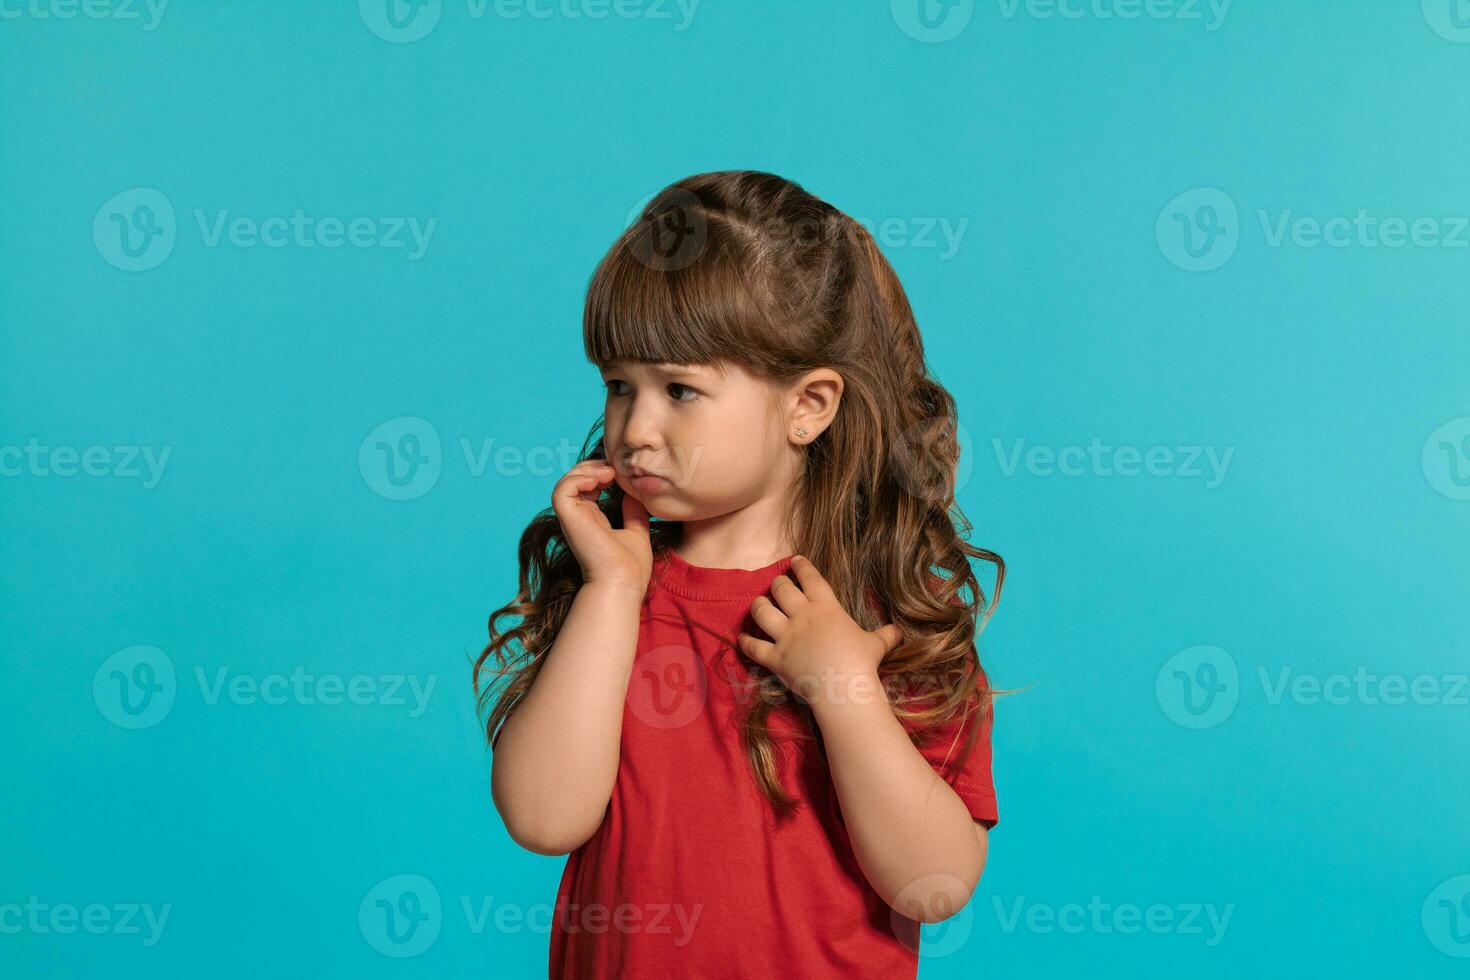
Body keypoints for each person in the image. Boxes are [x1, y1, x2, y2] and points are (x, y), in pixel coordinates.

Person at [475, 170, 1009, 978]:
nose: (634, 429)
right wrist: (613, 595)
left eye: (680, 389)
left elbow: (933, 886)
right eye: (620, 386)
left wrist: (843, 689)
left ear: (809, 406)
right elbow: (544, 818)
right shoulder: (616, 594)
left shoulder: (886, 622)